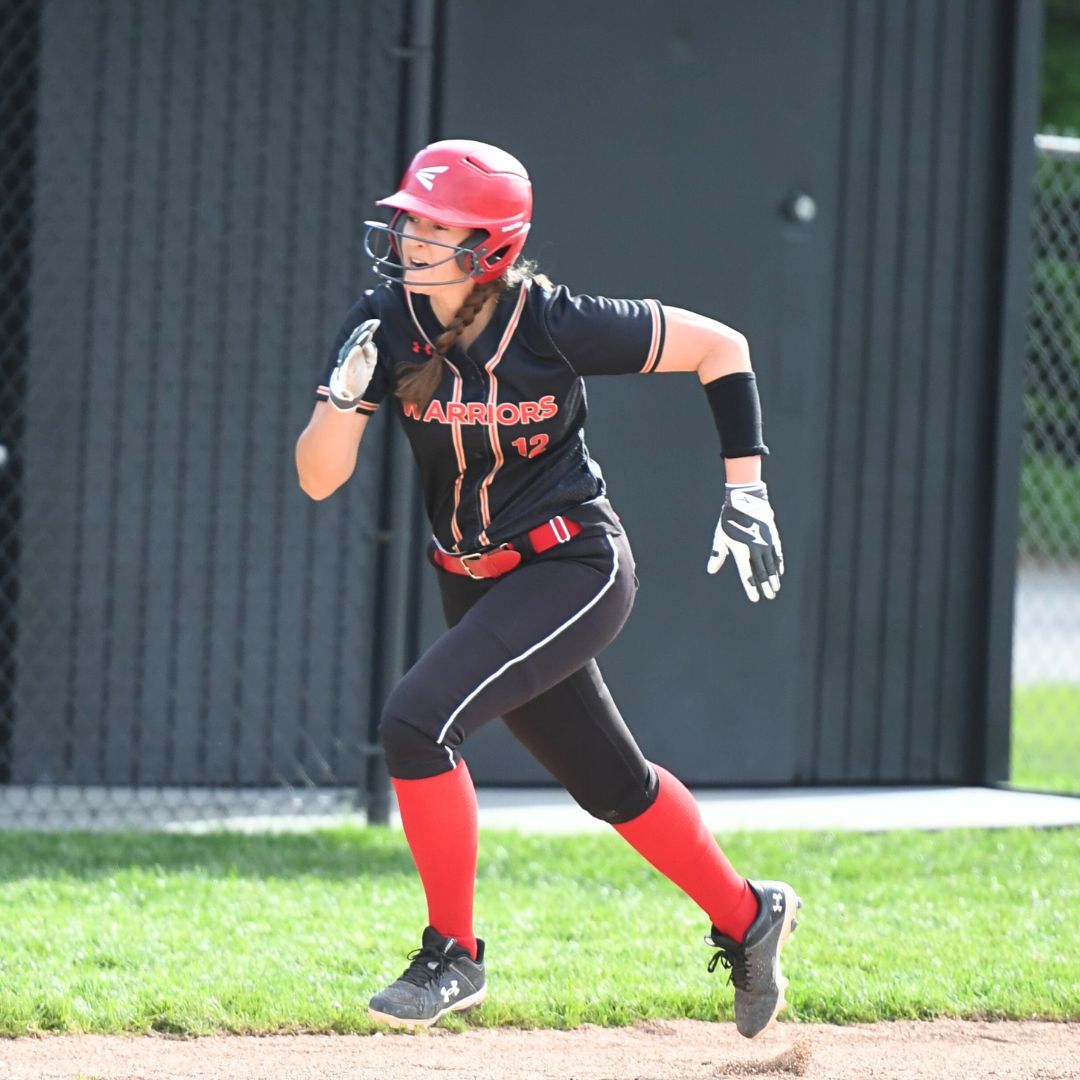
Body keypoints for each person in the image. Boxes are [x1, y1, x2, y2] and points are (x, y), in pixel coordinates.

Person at [294, 139, 800, 1039]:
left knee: (417, 722)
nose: (410, 233)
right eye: (409, 216)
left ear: (491, 245)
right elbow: (318, 479)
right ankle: (749, 917)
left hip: (574, 564)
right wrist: (339, 401)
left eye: (436, 222)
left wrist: (746, 486)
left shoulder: (550, 320)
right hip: (474, 579)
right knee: (612, 784)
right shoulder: (385, 322)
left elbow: (722, 348)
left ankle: (453, 953)